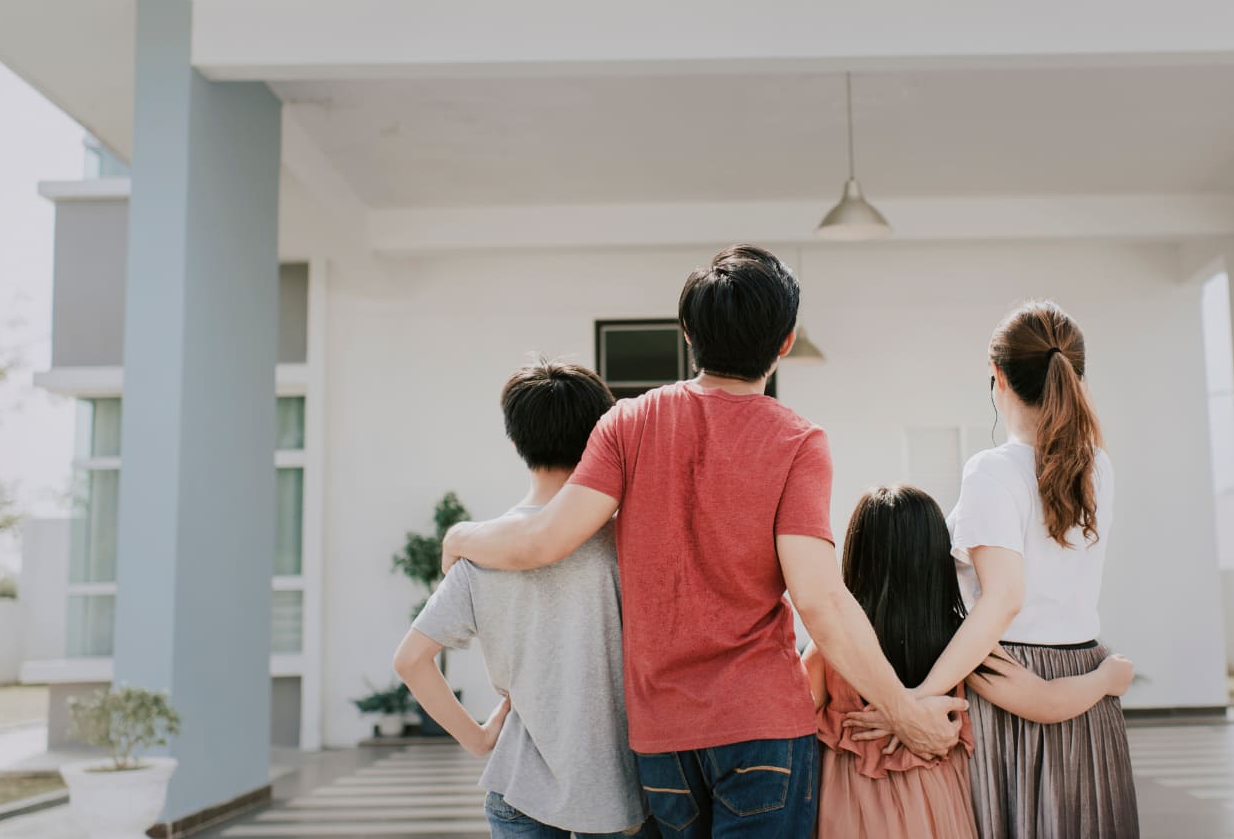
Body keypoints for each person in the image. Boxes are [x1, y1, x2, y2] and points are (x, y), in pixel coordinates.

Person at [441, 244, 963, 838]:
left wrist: (462, 535)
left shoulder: (628, 423)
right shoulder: (797, 440)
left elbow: (543, 539)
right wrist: (906, 713)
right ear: (785, 341)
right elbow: (819, 600)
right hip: (762, 726)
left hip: (662, 736)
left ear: (687, 332)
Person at [870, 301, 1138, 838]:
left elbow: (1002, 601)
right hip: (1086, 682)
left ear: (998, 376)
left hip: (1009, 682)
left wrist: (919, 698)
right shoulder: (1097, 464)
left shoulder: (992, 470)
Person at [392, 360, 649, 839]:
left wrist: (477, 737)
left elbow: (411, 660)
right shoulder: (625, 544)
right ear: (601, 436)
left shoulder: (482, 551)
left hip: (519, 786)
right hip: (619, 789)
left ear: (515, 441)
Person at [810, 485, 1135, 839]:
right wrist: (1107, 678)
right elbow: (1046, 701)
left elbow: (791, 721)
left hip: (848, 811)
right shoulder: (958, 644)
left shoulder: (833, 646)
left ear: (857, 555)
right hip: (936, 811)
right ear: (936, 557)